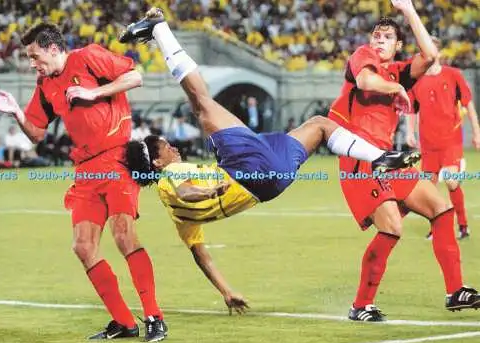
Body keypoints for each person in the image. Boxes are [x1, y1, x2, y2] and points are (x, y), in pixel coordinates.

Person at [120, 8, 421, 312]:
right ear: (157, 163)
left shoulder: (177, 216)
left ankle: (381, 157)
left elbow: (200, 254)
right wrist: (209, 191)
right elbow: (186, 190)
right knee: (201, 103)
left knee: (319, 125)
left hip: (272, 183)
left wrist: (226, 291)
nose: (172, 147)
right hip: (245, 168)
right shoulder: (169, 181)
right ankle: (159, 29)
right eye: (165, 147)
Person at [0, 23, 167, 342]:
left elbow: (135, 77)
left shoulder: (88, 57)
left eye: (35, 56)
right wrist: (16, 112)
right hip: (86, 171)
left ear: (53, 48)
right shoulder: (44, 85)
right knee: (83, 247)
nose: (32, 63)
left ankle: (155, 316)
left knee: (124, 234)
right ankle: (124, 322)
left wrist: (93, 92)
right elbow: (36, 134)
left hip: (117, 159)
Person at [327, 0, 480, 322]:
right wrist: (397, 87)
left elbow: (430, 56)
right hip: (359, 160)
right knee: (393, 228)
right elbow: (367, 82)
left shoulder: (398, 69)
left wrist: (409, 11)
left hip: (390, 161)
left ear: (397, 46)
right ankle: (360, 305)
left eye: (386, 37)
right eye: (376, 35)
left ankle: (455, 291)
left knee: (442, 209)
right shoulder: (362, 58)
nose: (378, 40)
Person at [406, 38, 480, 240]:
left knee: (451, 182)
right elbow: (411, 110)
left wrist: (477, 132)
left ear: (437, 52)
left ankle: (463, 226)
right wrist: (409, 132)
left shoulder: (453, 75)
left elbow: (469, 105)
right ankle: (437, 228)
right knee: (429, 190)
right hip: (428, 144)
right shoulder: (416, 80)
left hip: (451, 141)